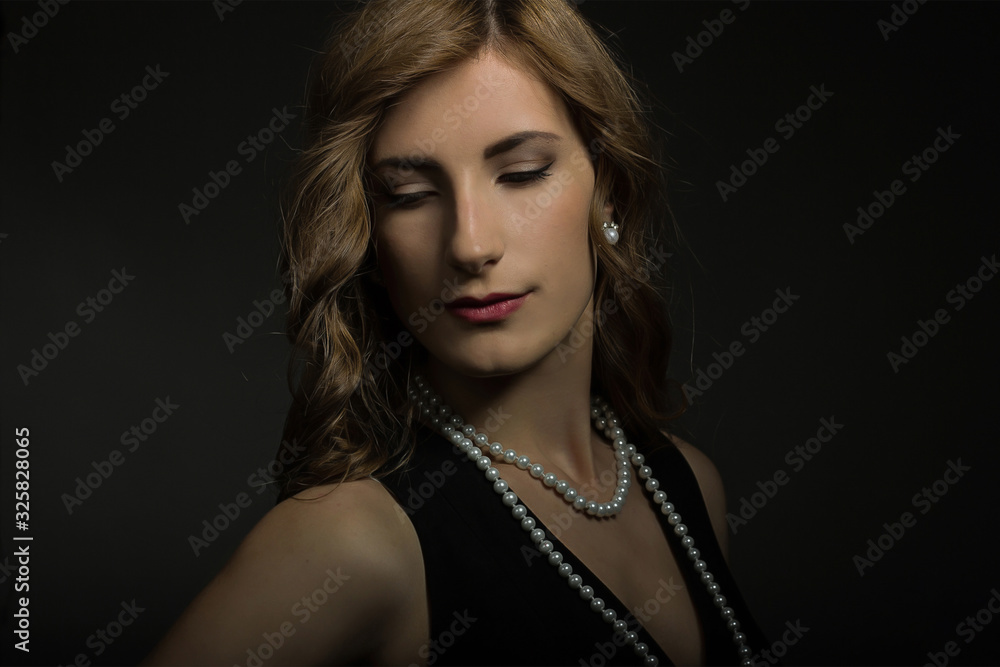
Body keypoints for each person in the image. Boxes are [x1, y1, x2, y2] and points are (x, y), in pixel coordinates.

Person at [144, 0, 767, 665]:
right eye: (409, 193)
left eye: (522, 173)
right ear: (367, 233)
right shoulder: (350, 540)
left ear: (608, 190)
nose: (470, 244)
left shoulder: (688, 483)